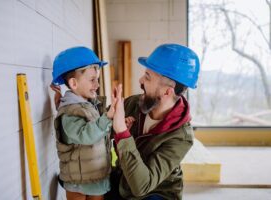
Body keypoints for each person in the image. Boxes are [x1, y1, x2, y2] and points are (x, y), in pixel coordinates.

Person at [106, 43, 200, 200]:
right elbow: (95, 126)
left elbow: (141, 186)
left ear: (167, 92)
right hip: (124, 181)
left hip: (156, 192)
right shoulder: (132, 104)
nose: (140, 80)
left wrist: (122, 132)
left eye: (147, 77)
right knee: (77, 181)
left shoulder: (181, 136)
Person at [51, 46, 116, 200]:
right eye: (92, 80)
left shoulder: (90, 105)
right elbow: (85, 135)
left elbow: (100, 133)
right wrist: (107, 118)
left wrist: (115, 123)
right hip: (77, 182)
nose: (97, 85)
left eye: (98, 79)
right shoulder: (69, 111)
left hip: (97, 177)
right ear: (74, 84)